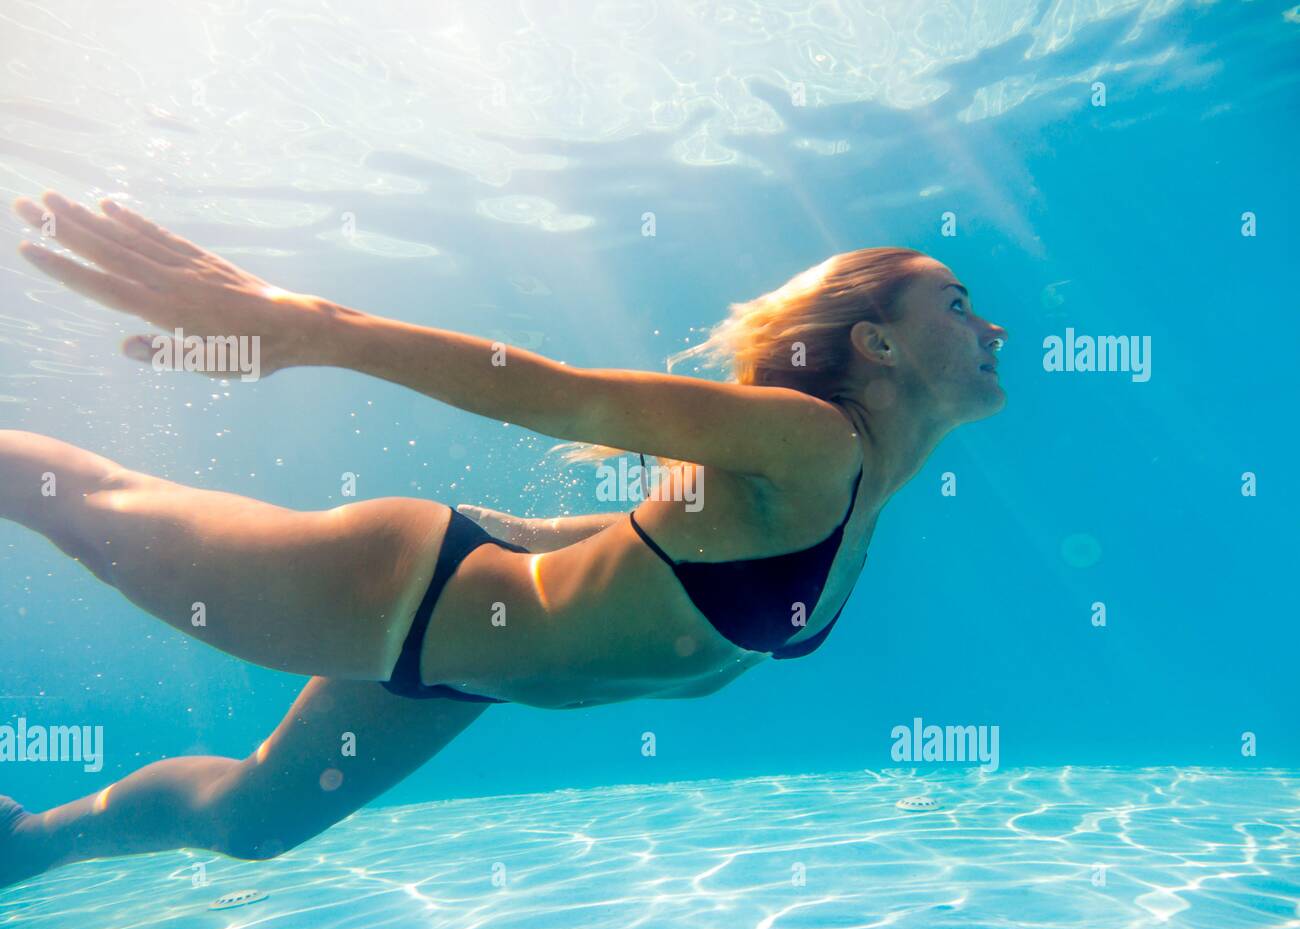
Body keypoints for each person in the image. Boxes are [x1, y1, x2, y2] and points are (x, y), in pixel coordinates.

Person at [0, 191, 1006, 886]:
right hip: (405, 595)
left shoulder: (858, 496)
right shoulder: (813, 443)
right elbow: (560, 398)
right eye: (959, 307)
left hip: (467, 669)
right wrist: (311, 327)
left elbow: (642, 552)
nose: (991, 328)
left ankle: (29, 844)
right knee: (91, 508)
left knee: (254, 825)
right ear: (874, 342)